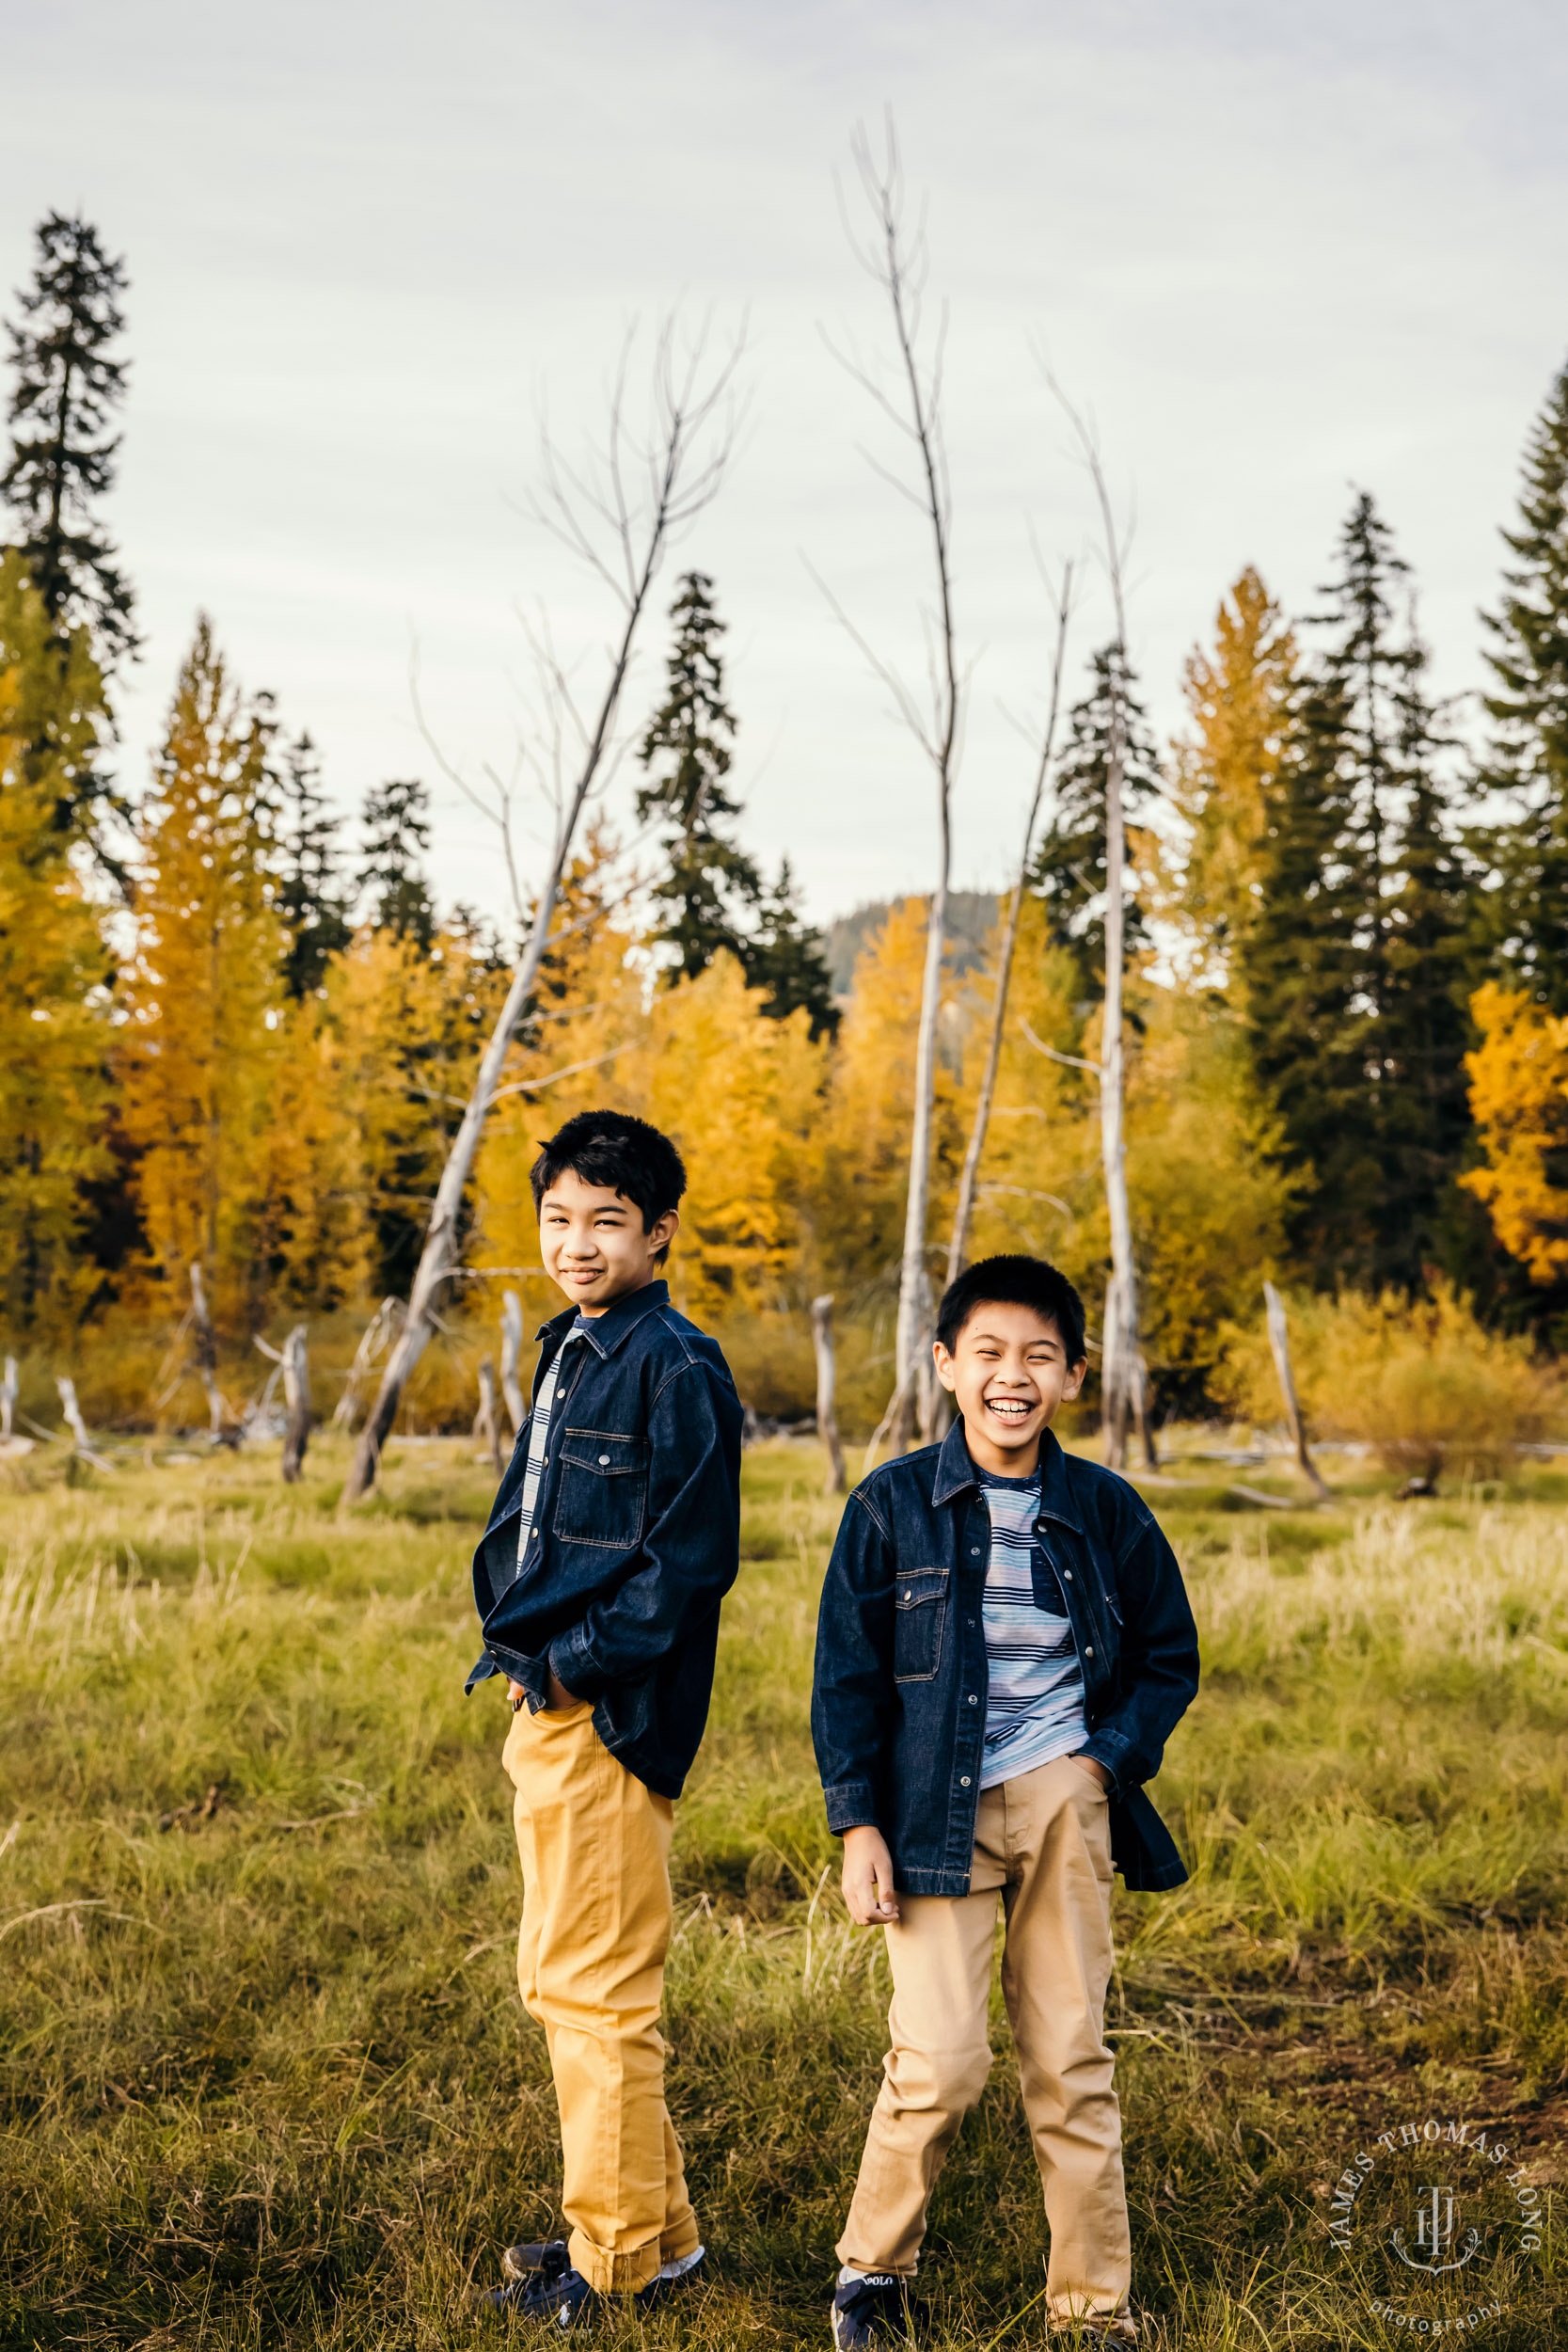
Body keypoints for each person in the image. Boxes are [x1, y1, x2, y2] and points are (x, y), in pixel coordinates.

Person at [812, 1255, 1199, 2346]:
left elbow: (1168, 1655)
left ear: (1072, 1374)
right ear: (944, 1365)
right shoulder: (890, 1506)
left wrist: (1098, 1762)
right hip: (927, 1808)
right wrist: (856, 1825)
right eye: (986, 1352)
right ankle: (869, 2276)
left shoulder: (1104, 1510)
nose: (1010, 1376)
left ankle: (1090, 2307)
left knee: (1069, 2058)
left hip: (1060, 1798)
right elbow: (843, 1678)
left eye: (1037, 1354)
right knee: (938, 2059)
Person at [467, 1109, 743, 2328]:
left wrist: (571, 1668)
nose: (576, 1243)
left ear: (659, 1232)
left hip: (606, 1715)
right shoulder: (575, 1344)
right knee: (560, 1978)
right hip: (549, 1697)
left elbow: (685, 1566)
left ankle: (615, 2263)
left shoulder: (674, 1364)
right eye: (559, 1219)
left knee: (595, 1994)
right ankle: (658, 2236)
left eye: (606, 1222)